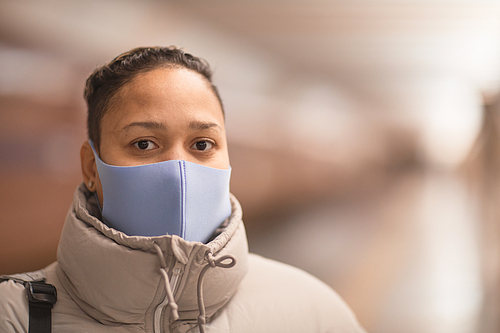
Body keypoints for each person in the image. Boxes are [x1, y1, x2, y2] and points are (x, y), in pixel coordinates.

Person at [0, 46, 366, 333]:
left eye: (203, 144)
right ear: (91, 168)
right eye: (144, 144)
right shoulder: (15, 316)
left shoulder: (312, 311)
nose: (180, 171)